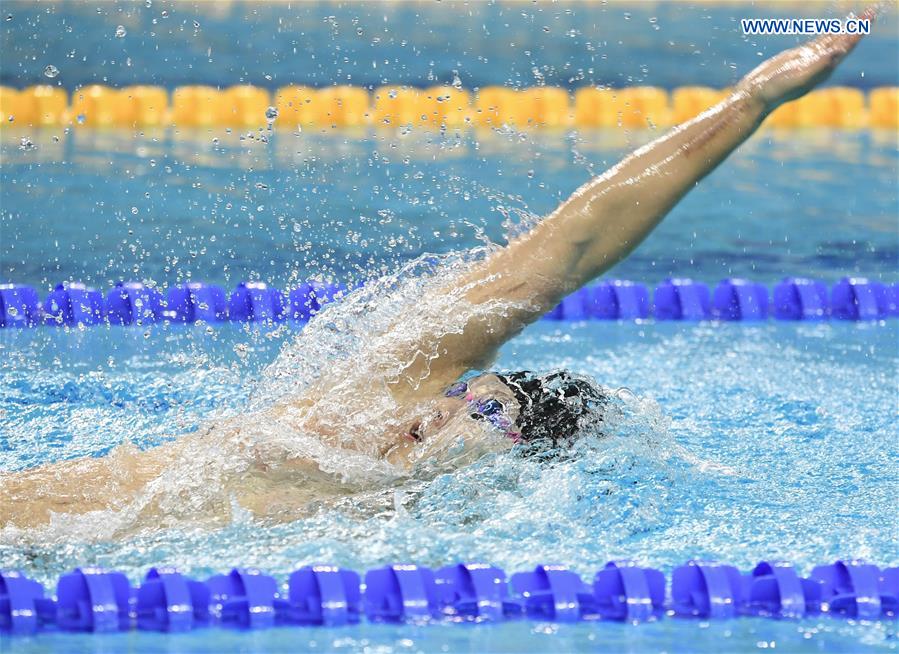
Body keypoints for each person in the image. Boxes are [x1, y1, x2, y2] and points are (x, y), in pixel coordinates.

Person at [0, 24, 870, 536]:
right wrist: (751, 101)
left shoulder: (417, 525)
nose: (446, 410)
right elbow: (563, 252)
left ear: (517, 466)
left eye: (484, 418)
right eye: (467, 392)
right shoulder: (370, 403)